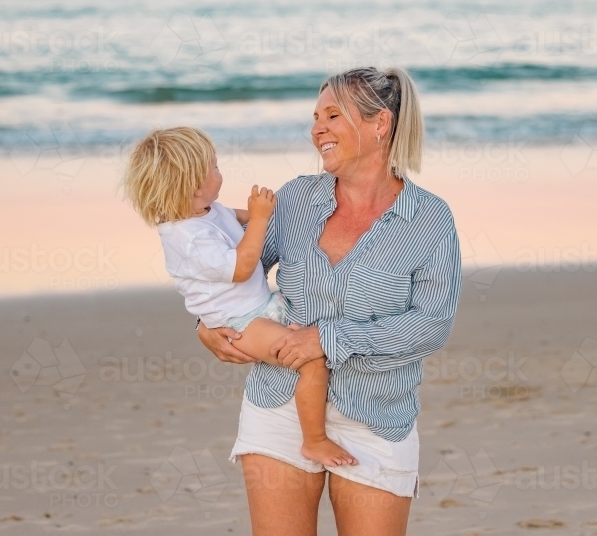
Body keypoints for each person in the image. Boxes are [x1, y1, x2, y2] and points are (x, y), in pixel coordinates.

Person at [197, 67, 462, 536]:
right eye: (315, 116)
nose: (316, 128)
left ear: (380, 124)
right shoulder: (298, 198)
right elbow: (236, 269)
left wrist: (330, 338)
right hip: (278, 403)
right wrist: (206, 323)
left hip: (377, 417)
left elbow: (432, 325)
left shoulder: (430, 220)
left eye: (332, 115)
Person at [122, 126, 358, 467]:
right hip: (241, 324)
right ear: (191, 185)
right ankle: (315, 440)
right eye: (214, 167)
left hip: (259, 307)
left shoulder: (205, 210)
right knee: (312, 360)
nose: (221, 172)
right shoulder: (187, 238)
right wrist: (261, 219)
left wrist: (273, 213)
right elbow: (242, 268)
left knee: (320, 330)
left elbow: (235, 217)